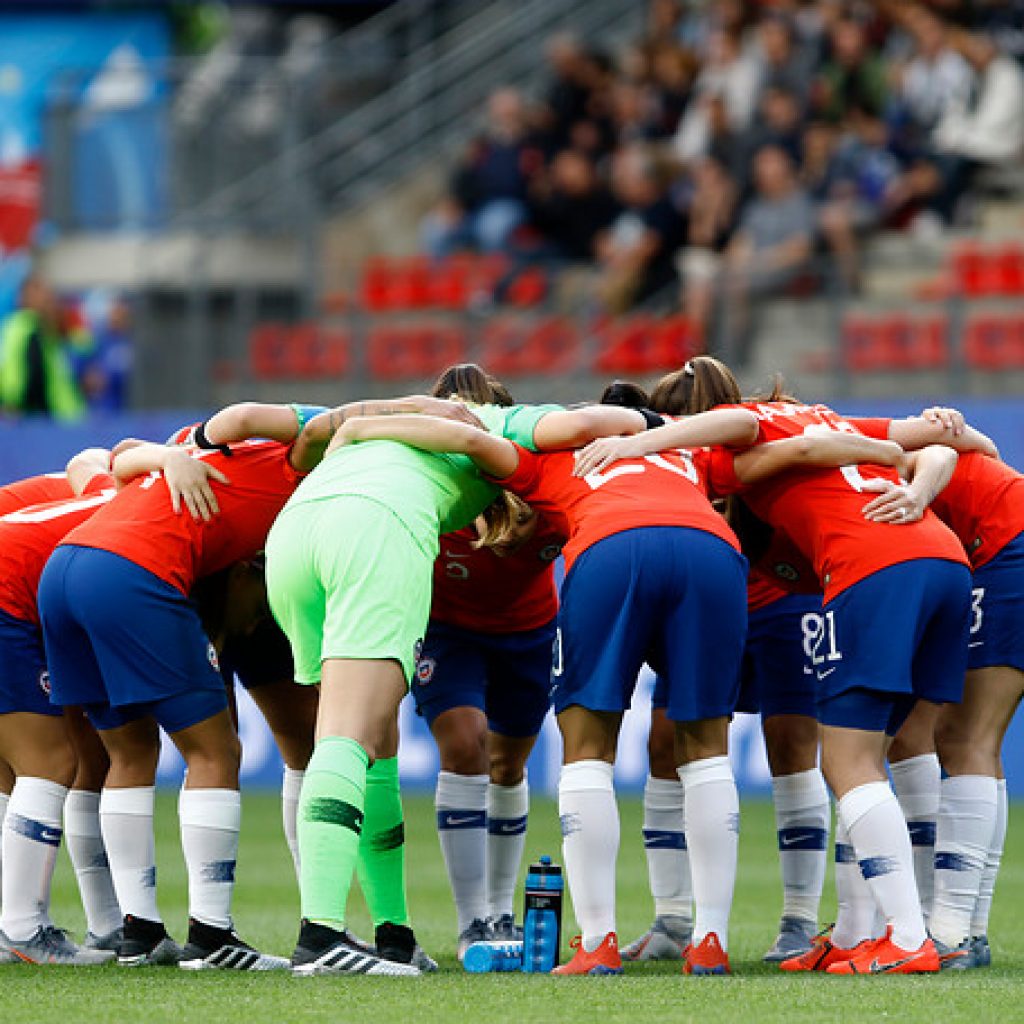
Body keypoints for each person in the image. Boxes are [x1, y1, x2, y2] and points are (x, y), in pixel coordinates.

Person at [325, 403, 909, 977]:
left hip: (612, 547)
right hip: (710, 551)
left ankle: (599, 941)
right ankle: (710, 940)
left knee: (588, 748)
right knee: (706, 748)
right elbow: (791, 450)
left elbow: (473, 442)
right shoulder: (686, 450)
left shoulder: (545, 458)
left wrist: (360, 428)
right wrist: (888, 451)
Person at [574, 358, 994, 976]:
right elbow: (953, 444)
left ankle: (908, 938)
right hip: (941, 560)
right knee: (892, 750)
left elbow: (749, 428)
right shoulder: (815, 415)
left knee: (846, 761)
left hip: (869, 570)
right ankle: (872, 932)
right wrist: (914, 482)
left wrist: (635, 440)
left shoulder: (730, 444)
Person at [265, 380, 657, 976]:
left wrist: (359, 423)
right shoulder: (506, 420)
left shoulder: (395, 409)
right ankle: (320, 936)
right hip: (376, 530)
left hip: (296, 532)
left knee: (373, 745)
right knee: (347, 737)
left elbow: (314, 433)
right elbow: (589, 426)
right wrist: (652, 426)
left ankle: (392, 934)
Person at [37, 403, 335, 971]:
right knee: (215, 751)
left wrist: (172, 453)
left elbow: (119, 454)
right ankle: (212, 933)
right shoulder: (285, 468)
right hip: (132, 572)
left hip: (65, 569)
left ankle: (139, 931)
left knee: (128, 751)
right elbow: (277, 419)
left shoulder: (193, 449)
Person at [848, 428, 1023, 968]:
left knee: (962, 737)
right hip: (999, 543)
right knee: (972, 742)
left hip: (1007, 544)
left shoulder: (820, 450)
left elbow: (944, 447)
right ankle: (964, 926)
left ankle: (950, 932)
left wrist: (924, 488)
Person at [0, 448, 118, 965]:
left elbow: (87, 458)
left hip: (13, 588)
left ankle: (10, 926)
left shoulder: (84, 488)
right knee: (48, 762)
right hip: (6, 595)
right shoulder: (117, 496)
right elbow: (87, 460)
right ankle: (24, 930)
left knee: (7, 772)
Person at [0, 277, 87, 420]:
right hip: (34, 414)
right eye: (39, 293)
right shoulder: (25, 327)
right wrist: (13, 402)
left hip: (61, 415)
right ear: (24, 298)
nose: (46, 298)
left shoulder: (48, 330)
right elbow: (25, 370)